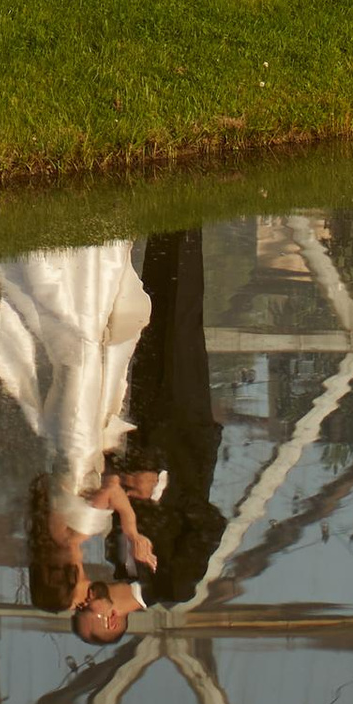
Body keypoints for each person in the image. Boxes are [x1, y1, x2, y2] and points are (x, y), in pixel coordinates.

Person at [0, 242, 156, 643]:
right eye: (83, 610)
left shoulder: (75, 535)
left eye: (77, 602)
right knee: (81, 349)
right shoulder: (52, 533)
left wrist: (133, 532)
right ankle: (78, 262)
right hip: (66, 437)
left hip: (78, 435)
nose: (85, 602)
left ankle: (60, 260)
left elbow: (111, 489)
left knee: (81, 352)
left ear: (64, 583)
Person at [115, 226, 227, 608]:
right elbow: (211, 523)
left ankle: (162, 227)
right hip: (184, 430)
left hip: (143, 429)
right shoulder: (175, 584)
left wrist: (129, 476)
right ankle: (186, 225)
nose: (85, 603)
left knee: (148, 325)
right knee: (181, 325)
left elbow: (121, 492)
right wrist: (159, 487)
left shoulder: (115, 560)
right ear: (109, 621)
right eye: (88, 613)